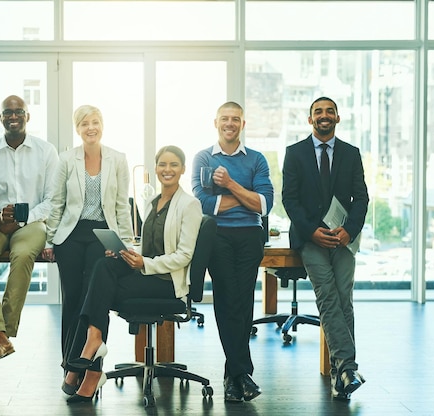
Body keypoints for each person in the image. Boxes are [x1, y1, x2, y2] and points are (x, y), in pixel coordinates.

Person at [62, 145, 202, 403]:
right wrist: (127, 253)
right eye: (162, 165)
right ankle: (93, 341)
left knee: (100, 290)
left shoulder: (190, 205)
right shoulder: (151, 203)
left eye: (173, 165)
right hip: (148, 273)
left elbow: (184, 255)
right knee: (104, 266)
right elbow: (147, 247)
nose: (167, 170)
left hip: (168, 282)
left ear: (182, 170)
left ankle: (85, 363)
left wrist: (144, 264)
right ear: (156, 169)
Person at [41, 105, 133, 393]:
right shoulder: (67, 159)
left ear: (102, 125)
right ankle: (70, 367)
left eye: (95, 122)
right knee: (72, 300)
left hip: (102, 235)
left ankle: (92, 371)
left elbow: (121, 205)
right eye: (84, 123)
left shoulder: (118, 159)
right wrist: (49, 240)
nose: (90, 127)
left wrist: (125, 244)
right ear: (77, 129)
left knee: (95, 300)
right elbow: (56, 202)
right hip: (71, 234)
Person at [282, 97, 369, 400]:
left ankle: (341, 375)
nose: (324, 115)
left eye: (329, 111)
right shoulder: (294, 153)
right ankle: (347, 368)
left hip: (343, 239)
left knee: (344, 298)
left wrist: (349, 231)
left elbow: (362, 198)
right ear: (310, 120)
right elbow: (289, 199)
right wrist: (311, 231)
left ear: (337, 118)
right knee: (328, 295)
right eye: (318, 111)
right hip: (310, 239)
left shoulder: (351, 153)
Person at [192, 101, 274, 403]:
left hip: (251, 235)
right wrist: (246, 195)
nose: (230, 123)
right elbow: (203, 204)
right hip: (218, 235)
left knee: (243, 301)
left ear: (243, 124)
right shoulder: (203, 157)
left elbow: (265, 205)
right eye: (225, 119)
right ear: (216, 123)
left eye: (236, 119)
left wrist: (228, 185)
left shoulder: (257, 159)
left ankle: (234, 376)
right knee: (227, 299)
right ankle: (241, 373)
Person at [0, 95, 58, 364]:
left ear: (27, 116)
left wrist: (23, 218)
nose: (13, 116)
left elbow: (52, 200)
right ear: (1, 118)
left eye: (19, 111)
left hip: (31, 223)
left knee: (22, 256)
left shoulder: (46, 151)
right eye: (7, 112)